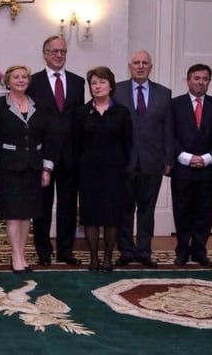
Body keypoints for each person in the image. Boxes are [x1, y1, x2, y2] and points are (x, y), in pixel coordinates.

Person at [0, 65, 54, 274]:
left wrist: (46, 168)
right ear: (8, 81)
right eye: (16, 77)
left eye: (24, 77)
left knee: (27, 215)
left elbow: (48, 137)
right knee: (13, 214)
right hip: (8, 168)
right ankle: (15, 255)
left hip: (33, 167)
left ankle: (22, 253)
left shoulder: (39, 105)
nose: (21, 80)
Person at [112, 50, 174, 268]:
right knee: (125, 210)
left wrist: (168, 158)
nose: (140, 66)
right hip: (124, 161)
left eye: (144, 63)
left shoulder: (164, 94)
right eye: (136, 63)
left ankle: (144, 251)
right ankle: (126, 251)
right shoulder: (117, 90)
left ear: (151, 66)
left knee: (147, 211)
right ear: (130, 66)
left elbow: (168, 129)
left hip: (152, 161)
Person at [27, 35, 85, 266]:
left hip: (71, 154)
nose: (58, 55)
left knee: (68, 205)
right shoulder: (33, 81)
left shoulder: (78, 82)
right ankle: (43, 251)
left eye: (62, 51)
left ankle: (65, 250)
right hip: (43, 154)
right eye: (54, 51)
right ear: (45, 54)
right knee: (41, 204)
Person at [74, 66, 131, 272]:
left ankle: (107, 257)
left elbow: (128, 143)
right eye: (94, 83)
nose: (97, 86)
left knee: (111, 216)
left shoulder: (122, 112)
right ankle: (94, 258)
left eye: (102, 82)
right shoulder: (81, 112)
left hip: (114, 172)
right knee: (90, 216)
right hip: (88, 172)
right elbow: (76, 143)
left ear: (111, 85)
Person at [170, 64, 212, 267]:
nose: (200, 82)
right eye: (196, 78)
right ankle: (182, 250)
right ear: (188, 80)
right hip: (182, 168)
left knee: (204, 211)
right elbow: (169, 135)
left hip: (208, 168)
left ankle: (199, 250)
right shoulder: (175, 104)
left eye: (204, 79)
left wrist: (209, 157)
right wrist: (184, 157)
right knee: (182, 211)